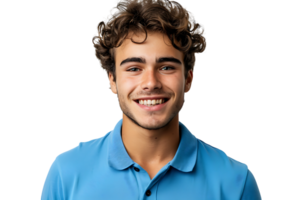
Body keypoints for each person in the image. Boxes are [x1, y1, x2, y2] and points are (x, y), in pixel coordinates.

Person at [40, 0, 263, 199]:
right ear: (112, 81)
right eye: (134, 68)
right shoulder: (65, 174)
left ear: (189, 80)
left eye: (166, 67)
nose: (151, 82)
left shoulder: (237, 183)